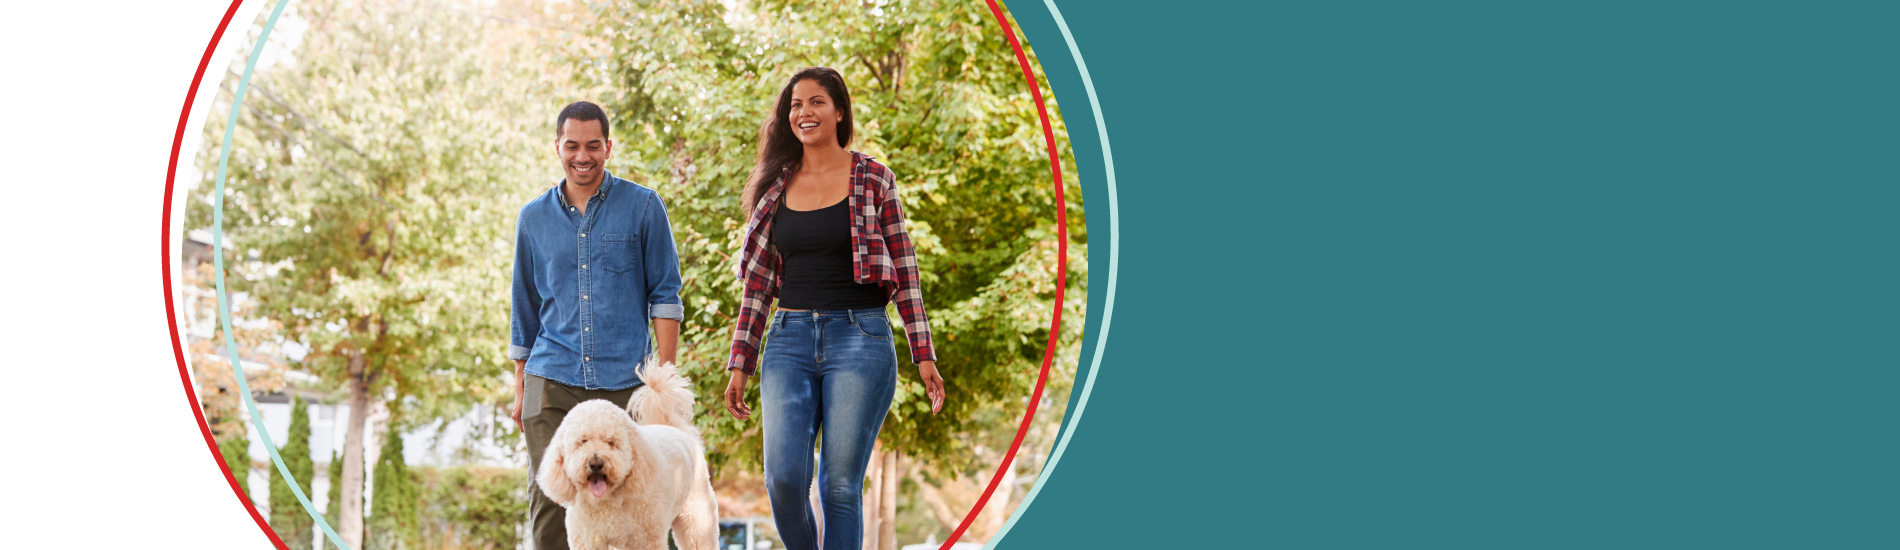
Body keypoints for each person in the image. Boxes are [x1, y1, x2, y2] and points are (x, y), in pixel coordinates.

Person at [722, 66, 947, 550]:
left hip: (859, 338)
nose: (804, 112)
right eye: (796, 104)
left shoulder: (873, 178)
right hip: (789, 340)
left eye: (816, 101)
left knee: (839, 487)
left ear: (839, 110)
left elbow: (905, 270)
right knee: (783, 482)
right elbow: (758, 286)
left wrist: (922, 353)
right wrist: (740, 363)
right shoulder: (775, 188)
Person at [508, 100, 685, 550]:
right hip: (551, 379)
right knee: (549, 499)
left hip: (625, 381)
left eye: (592, 146)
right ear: (557, 147)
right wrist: (519, 388)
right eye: (572, 145)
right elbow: (524, 310)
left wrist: (662, 381)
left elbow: (665, 297)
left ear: (608, 147)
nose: (581, 156)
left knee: (638, 499)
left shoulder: (644, 208)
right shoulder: (533, 219)